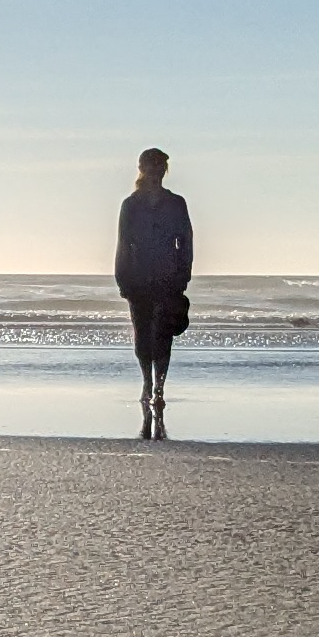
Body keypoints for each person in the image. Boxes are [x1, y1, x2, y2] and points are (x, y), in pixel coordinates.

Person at [114, 146, 194, 437]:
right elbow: (123, 244)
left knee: (163, 333)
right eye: (151, 165)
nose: (156, 170)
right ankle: (146, 382)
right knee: (141, 335)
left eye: (160, 166)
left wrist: (184, 272)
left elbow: (185, 239)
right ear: (142, 168)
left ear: (165, 170)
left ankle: (159, 386)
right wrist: (121, 277)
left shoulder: (176, 203)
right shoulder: (130, 205)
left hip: (168, 276)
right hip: (138, 276)